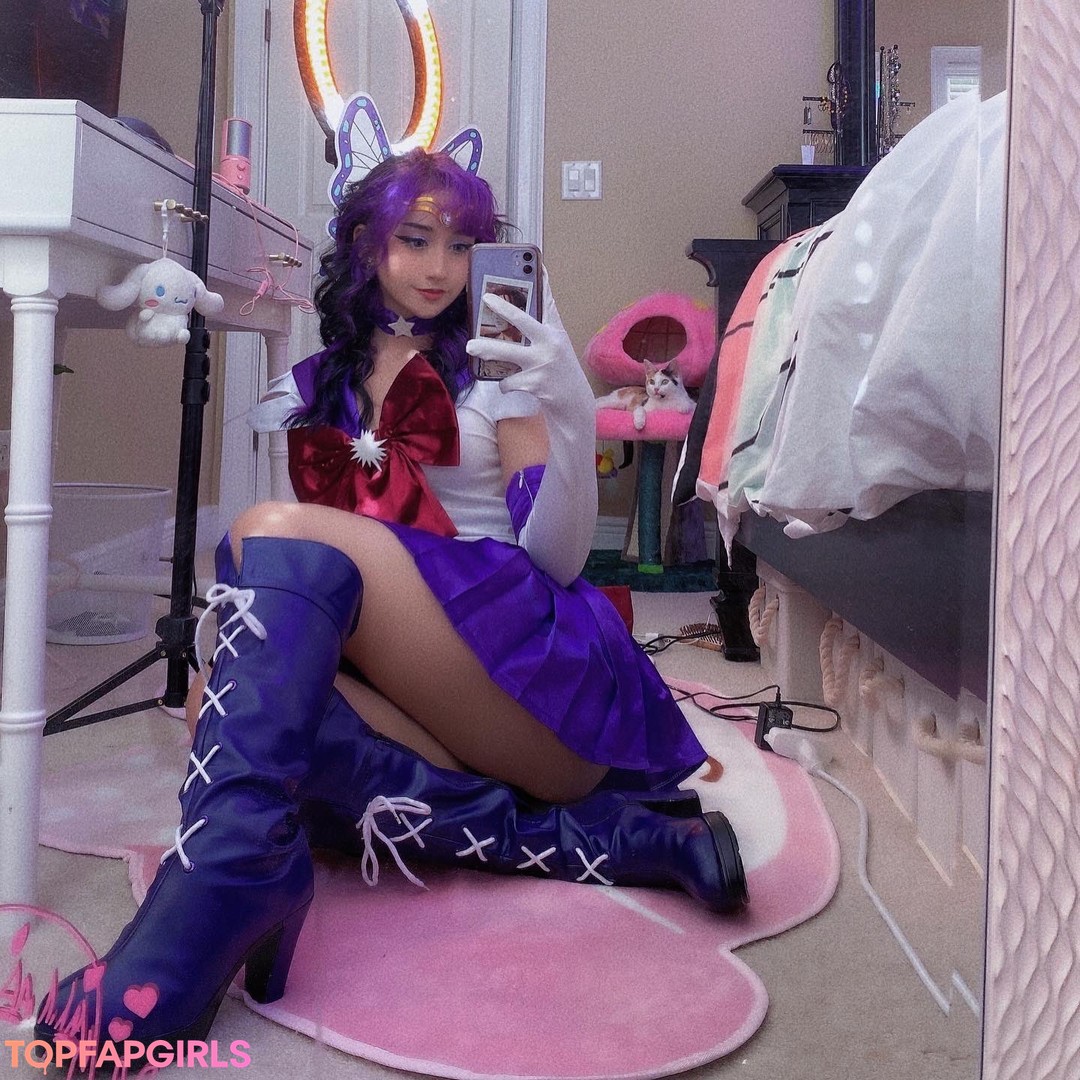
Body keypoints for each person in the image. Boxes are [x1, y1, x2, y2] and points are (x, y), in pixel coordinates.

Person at [37, 149, 747, 1058]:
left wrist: (567, 404)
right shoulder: (312, 387)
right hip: (411, 687)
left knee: (268, 531)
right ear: (367, 245)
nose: (440, 267)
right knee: (222, 696)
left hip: (528, 674)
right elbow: (297, 600)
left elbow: (559, 558)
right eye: (415, 239)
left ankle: (222, 886)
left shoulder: (499, 367)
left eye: (462, 245)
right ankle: (609, 844)